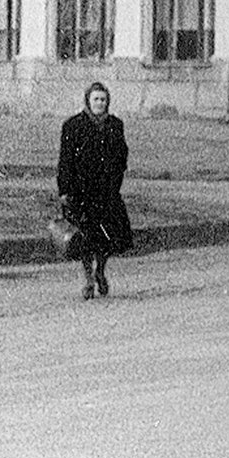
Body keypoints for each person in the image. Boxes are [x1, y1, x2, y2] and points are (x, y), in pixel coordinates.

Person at [56, 81, 134, 299]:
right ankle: (88, 276)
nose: (100, 103)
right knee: (85, 237)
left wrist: (116, 177)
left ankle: (100, 270)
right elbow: (65, 161)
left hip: (107, 192)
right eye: (96, 99)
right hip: (81, 193)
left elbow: (122, 155)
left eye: (103, 99)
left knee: (106, 237)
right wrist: (64, 190)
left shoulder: (115, 125)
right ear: (88, 101)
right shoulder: (73, 126)